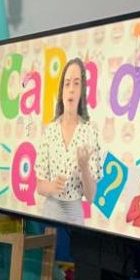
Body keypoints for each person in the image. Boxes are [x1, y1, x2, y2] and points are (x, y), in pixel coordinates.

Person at [35, 57, 103, 225]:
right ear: (62, 91)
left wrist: (84, 167)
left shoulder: (89, 132)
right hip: (50, 211)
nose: (71, 89)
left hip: (74, 215)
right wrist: (52, 186)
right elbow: (40, 186)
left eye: (76, 83)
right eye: (67, 84)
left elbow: (91, 196)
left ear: (82, 91)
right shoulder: (50, 130)